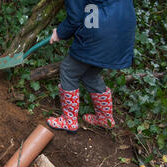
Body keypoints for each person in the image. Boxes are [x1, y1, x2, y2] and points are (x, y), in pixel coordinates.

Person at [46, 0, 136, 133]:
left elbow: (75, 18)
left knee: (69, 70)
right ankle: (105, 119)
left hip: (102, 31)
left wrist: (59, 32)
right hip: (123, 29)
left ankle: (69, 120)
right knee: (90, 74)